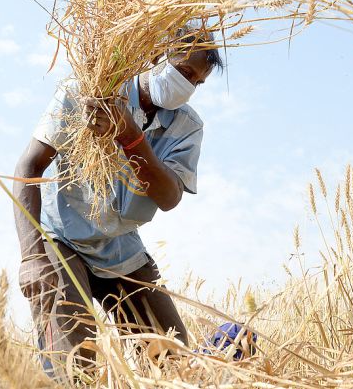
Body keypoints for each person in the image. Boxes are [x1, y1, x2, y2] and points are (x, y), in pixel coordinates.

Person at [12, 31, 223, 377]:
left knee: (172, 358)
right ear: (156, 56)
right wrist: (32, 257)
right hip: (61, 238)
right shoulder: (88, 92)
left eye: (197, 83)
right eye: (185, 73)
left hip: (119, 246)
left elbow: (169, 198)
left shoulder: (187, 126)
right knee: (74, 362)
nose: (189, 87)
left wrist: (130, 138)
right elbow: (28, 166)